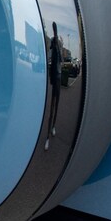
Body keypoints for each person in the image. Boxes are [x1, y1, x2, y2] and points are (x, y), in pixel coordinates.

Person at [45, 22, 62, 151]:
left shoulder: (59, 44)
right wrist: (52, 45)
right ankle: (47, 138)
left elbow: (61, 59)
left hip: (59, 77)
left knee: (57, 105)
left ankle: (53, 126)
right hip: (55, 77)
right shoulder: (52, 43)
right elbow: (50, 55)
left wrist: (58, 46)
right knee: (52, 106)